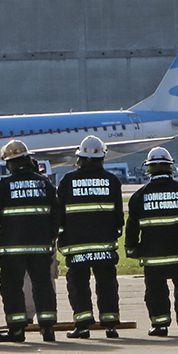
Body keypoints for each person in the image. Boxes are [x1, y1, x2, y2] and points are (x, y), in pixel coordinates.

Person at [125, 147, 178, 337]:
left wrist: (131, 249)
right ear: (170, 167)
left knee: (155, 291)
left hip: (153, 257)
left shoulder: (139, 196)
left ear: (149, 168)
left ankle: (160, 326)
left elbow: (132, 227)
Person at [0, 140, 60, 343]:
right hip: (41, 247)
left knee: (12, 288)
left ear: (10, 164)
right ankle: (48, 328)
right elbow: (57, 215)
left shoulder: (4, 185)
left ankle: (16, 331)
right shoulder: (45, 184)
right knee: (43, 285)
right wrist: (50, 237)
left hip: (12, 249)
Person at [56, 135, 123, 339]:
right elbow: (118, 216)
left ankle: (83, 326)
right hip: (104, 246)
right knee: (107, 285)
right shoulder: (112, 181)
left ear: (79, 158)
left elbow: (59, 215)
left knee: (78, 286)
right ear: (102, 158)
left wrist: (61, 238)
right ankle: (110, 325)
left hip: (77, 247)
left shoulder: (67, 181)